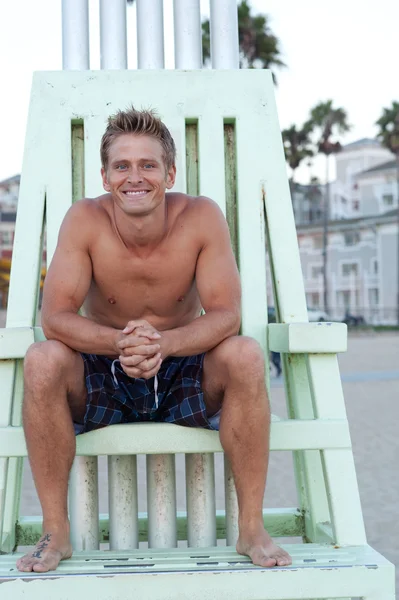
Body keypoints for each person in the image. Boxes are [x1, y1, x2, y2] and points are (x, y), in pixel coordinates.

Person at [17, 107, 292, 573]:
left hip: (184, 368)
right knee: (42, 359)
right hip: (103, 371)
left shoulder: (202, 217)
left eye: (147, 165)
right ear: (104, 176)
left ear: (169, 172)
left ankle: (251, 527)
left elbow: (227, 314)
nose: (134, 177)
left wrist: (163, 344)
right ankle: (56, 530)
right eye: (122, 166)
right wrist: (120, 343)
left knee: (245, 354)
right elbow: (55, 317)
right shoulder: (83, 220)